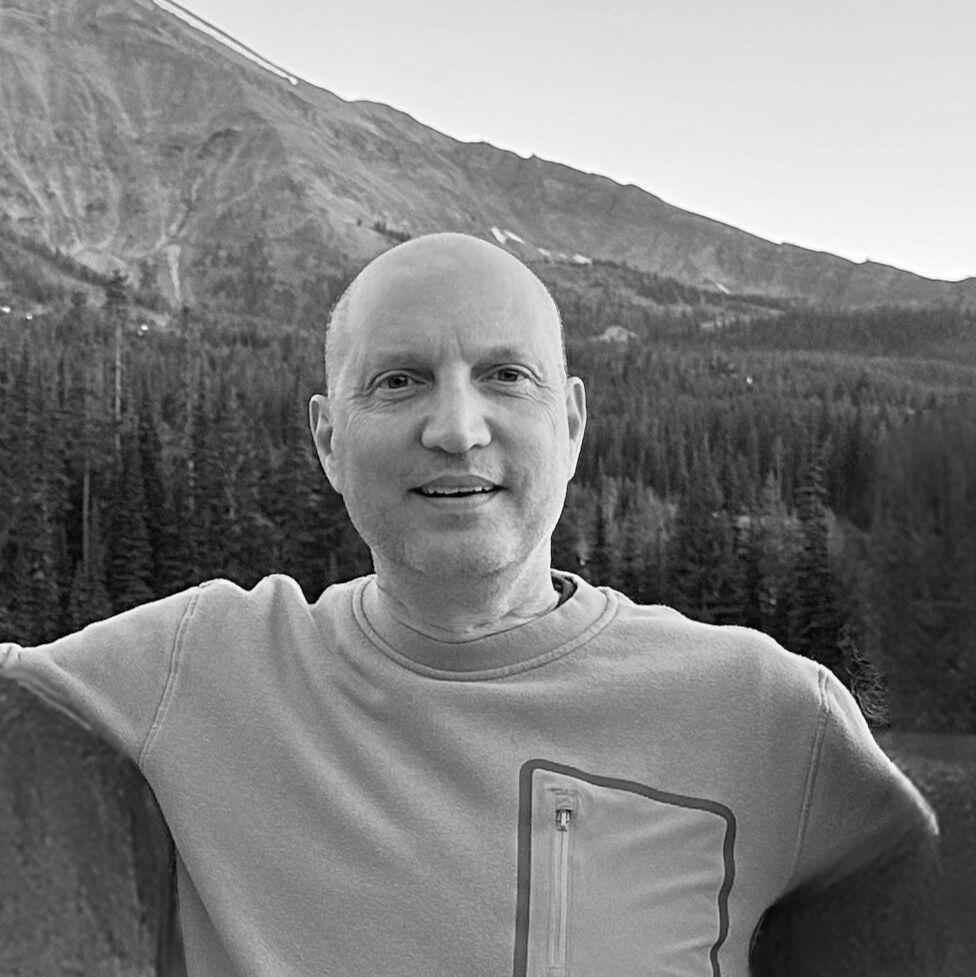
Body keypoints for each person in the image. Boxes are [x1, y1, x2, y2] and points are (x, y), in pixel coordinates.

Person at [1, 233, 941, 976]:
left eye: (505, 375)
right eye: (398, 380)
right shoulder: (198, 665)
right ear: (328, 441)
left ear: (571, 422)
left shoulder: (768, 714)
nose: (455, 429)